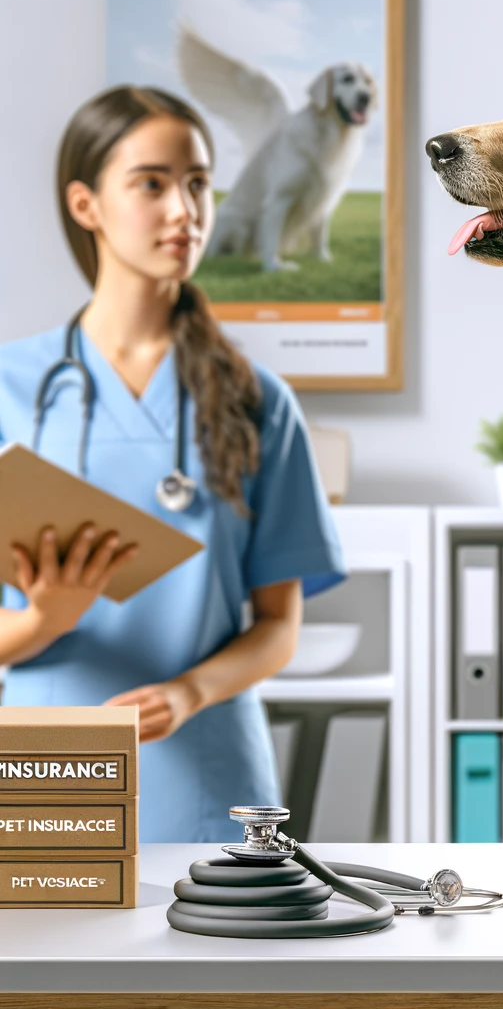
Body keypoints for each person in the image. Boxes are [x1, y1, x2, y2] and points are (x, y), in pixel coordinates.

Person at [0, 85, 346, 842]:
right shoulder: (8, 391)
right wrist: (38, 623)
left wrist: (189, 693)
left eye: (197, 184)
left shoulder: (257, 401)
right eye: (152, 184)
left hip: (208, 779)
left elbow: (278, 626)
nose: (185, 211)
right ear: (86, 204)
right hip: (42, 772)